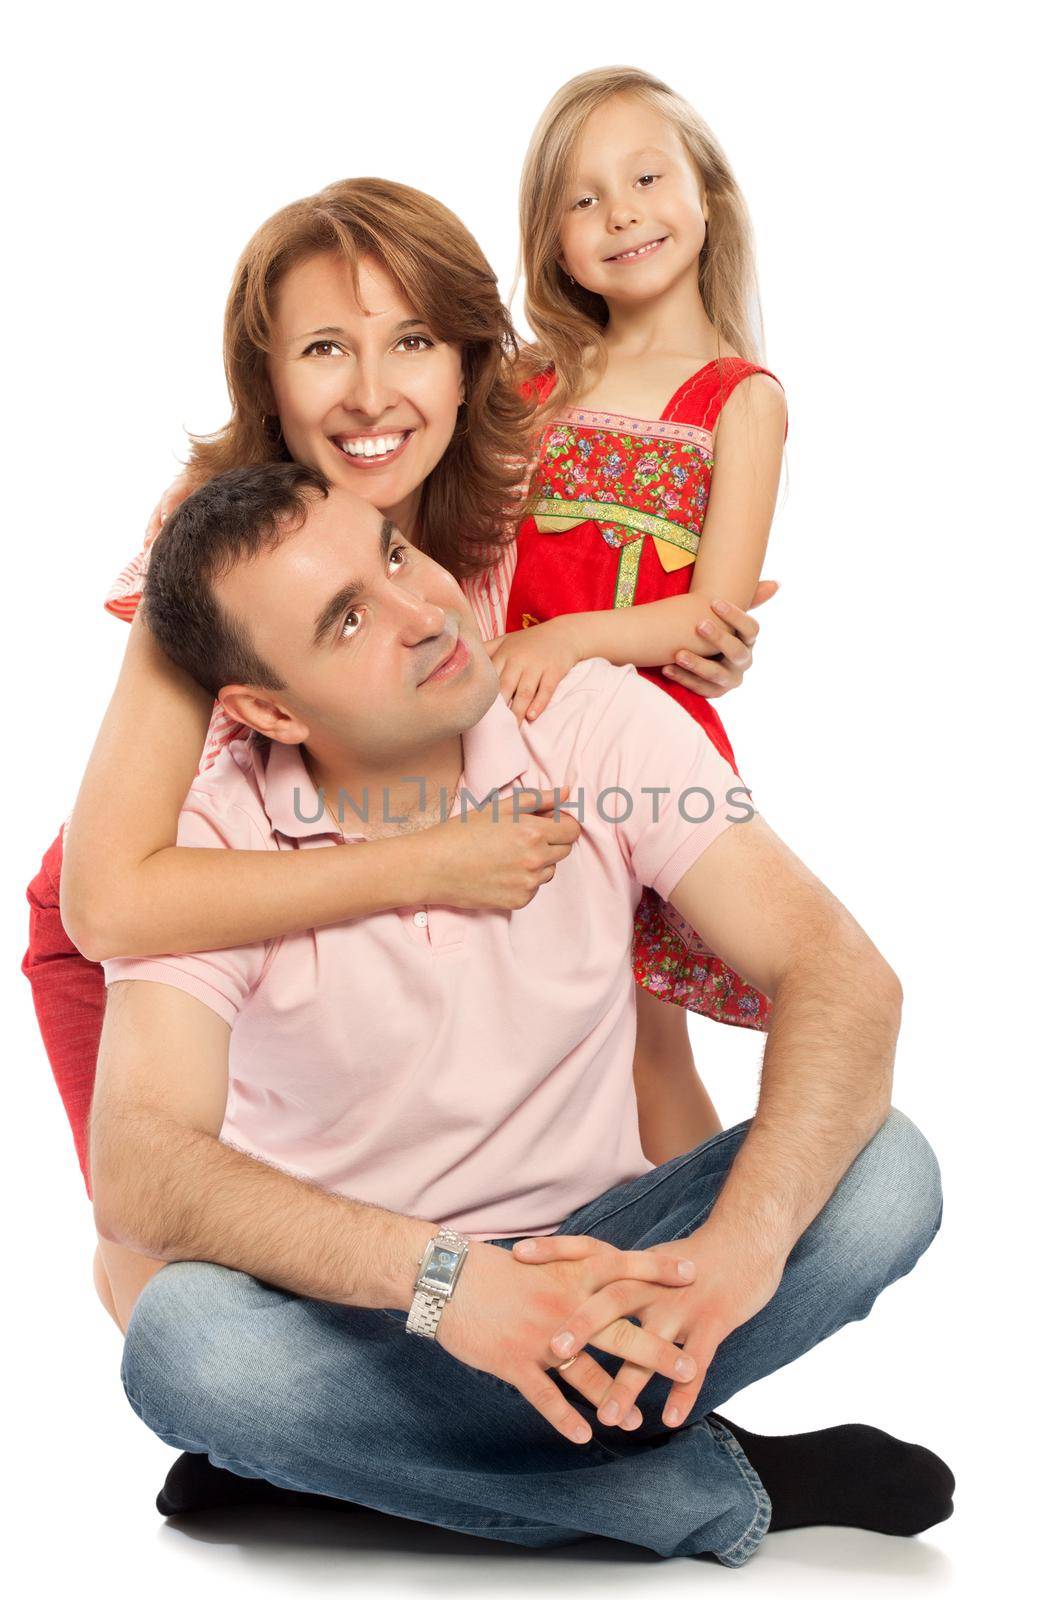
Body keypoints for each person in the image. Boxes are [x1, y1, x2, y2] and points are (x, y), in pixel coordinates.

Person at [94, 461, 954, 1563]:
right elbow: (139, 1163)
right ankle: (705, 1486)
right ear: (266, 708)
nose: (421, 613)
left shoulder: (592, 719)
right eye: (347, 618)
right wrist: (447, 1281)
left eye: (393, 554)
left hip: (613, 1264)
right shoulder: (212, 839)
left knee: (889, 1171)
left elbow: (838, 974)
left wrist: (742, 1246)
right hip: (366, 1305)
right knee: (185, 1348)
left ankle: (346, 1470)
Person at [21, 179, 768, 1305]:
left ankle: (678, 1380)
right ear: (267, 381)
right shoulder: (219, 537)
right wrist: (429, 863)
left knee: (637, 1040)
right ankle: (270, 1444)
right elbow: (109, 900)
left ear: (469, 364)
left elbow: (598, 646)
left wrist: (690, 638)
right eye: (324, 348)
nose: (372, 392)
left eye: (412, 340)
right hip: (184, 907)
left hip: (445, 846)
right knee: (175, 1262)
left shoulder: (507, 485)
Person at [493, 67, 788, 1163]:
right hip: (501, 733)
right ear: (552, 242)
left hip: (637, 753)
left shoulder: (738, 399)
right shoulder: (530, 383)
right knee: (522, 1027)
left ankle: (696, 1266)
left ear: (703, 194)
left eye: (645, 176)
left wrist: (567, 639)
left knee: (642, 1043)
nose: (618, 211)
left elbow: (708, 611)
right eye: (581, 198)